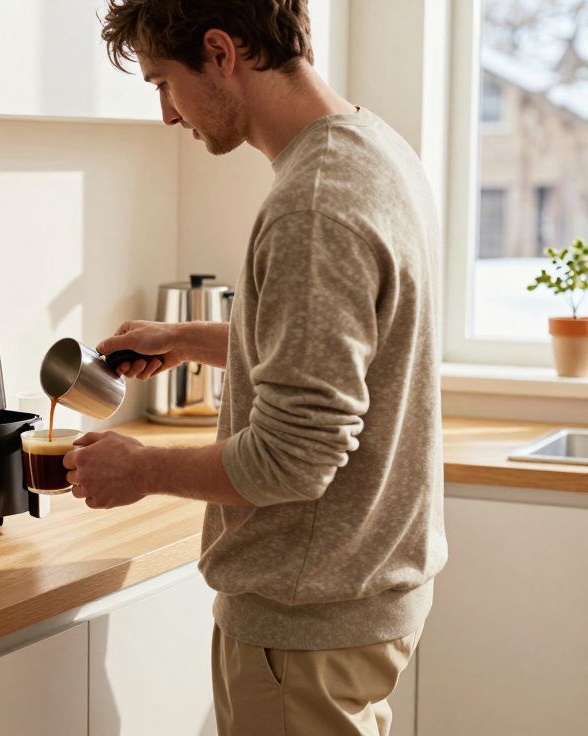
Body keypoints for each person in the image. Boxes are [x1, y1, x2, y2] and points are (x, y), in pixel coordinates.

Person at [63, 1, 447, 733]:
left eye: (163, 82)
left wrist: (139, 469)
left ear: (221, 52)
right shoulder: (374, 149)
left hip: (305, 623)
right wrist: (191, 339)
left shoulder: (313, 204)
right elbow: (348, 346)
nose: (167, 115)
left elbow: (293, 459)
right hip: (361, 596)